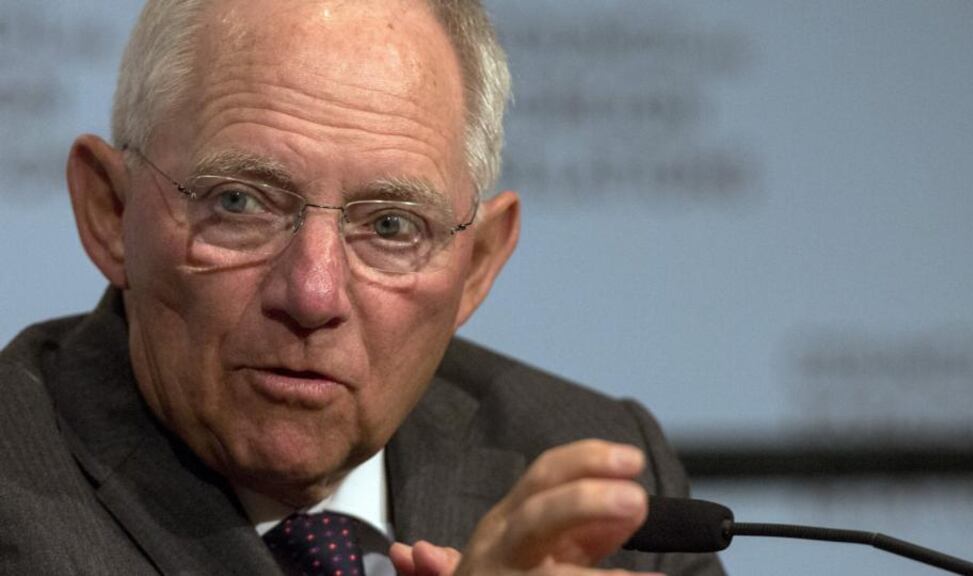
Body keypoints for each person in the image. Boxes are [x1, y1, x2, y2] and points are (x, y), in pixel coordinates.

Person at [0, 1, 724, 575]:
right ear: (111, 213)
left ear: (476, 267)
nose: (313, 295)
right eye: (240, 203)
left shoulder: (593, 481)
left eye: (390, 224)